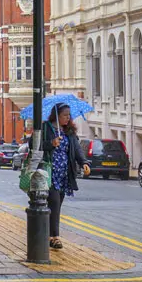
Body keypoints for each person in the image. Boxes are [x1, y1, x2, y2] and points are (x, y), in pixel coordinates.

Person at [42, 103, 90, 249]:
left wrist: (84, 162)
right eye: (65, 115)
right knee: (54, 202)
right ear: (57, 115)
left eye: (69, 115)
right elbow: (34, 144)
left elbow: (76, 148)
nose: (68, 118)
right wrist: (51, 143)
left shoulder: (69, 131)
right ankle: (55, 237)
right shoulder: (46, 128)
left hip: (64, 173)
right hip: (49, 172)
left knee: (56, 204)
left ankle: (49, 234)